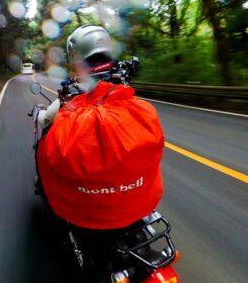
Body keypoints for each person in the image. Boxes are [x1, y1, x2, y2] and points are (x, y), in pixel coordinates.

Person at [34, 25, 165, 231]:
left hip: (84, 216)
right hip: (140, 206)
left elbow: (47, 119)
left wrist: (41, 116)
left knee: (48, 141)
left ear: (76, 55)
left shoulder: (76, 84)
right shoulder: (119, 75)